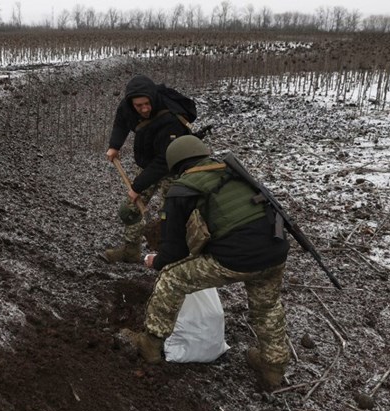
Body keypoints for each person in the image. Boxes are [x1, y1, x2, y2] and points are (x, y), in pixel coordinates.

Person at [117, 135, 291, 391]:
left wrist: (157, 262)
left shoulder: (181, 189)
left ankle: (150, 344)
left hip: (237, 256)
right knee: (267, 307)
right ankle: (273, 368)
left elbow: (173, 251)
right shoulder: (233, 173)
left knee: (172, 279)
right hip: (275, 250)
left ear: (175, 165)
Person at [103, 74, 196, 263]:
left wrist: (136, 187)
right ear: (131, 103)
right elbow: (121, 121)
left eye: (147, 104)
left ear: (153, 98)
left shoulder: (170, 119)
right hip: (148, 164)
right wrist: (115, 146)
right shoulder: (127, 106)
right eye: (139, 106)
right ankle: (131, 251)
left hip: (173, 168)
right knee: (129, 210)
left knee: (170, 218)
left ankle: (169, 259)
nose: (144, 109)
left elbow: (164, 161)